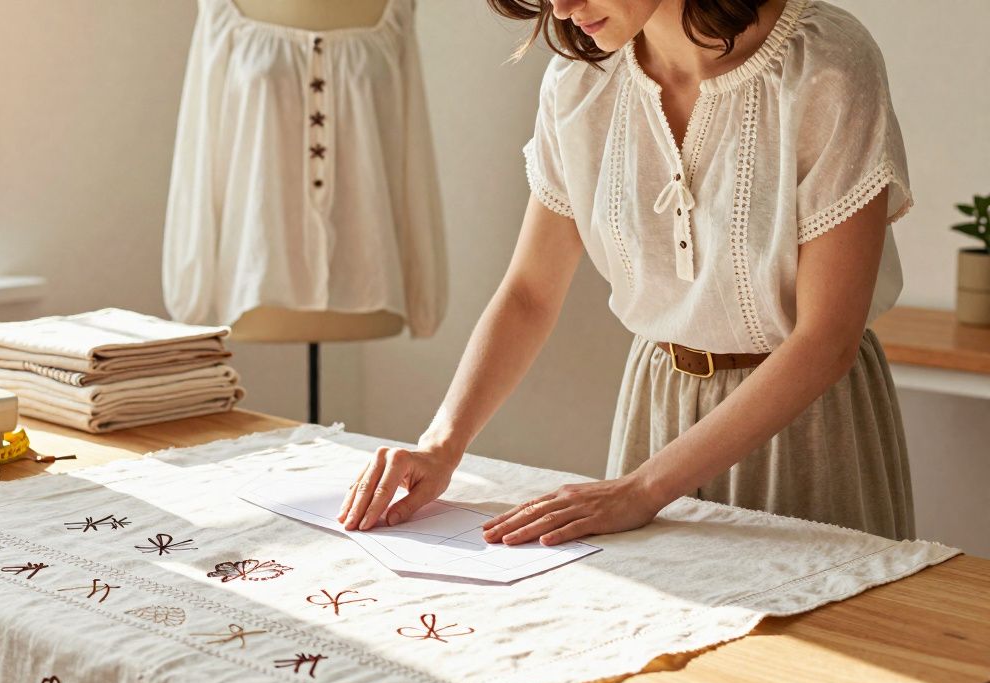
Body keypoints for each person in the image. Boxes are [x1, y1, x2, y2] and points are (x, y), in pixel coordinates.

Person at [338, 0, 915, 544]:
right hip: (655, 409)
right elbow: (530, 293)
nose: (560, 9)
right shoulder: (580, 84)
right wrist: (442, 443)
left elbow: (826, 339)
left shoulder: (824, 64)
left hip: (809, 428)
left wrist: (645, 488)